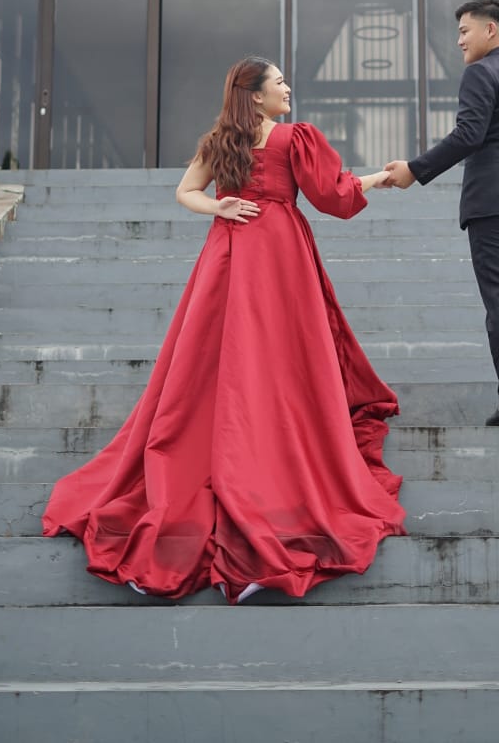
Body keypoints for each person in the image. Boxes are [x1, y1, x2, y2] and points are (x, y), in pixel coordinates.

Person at [42, 55, 405, 604]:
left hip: (230, 252)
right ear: (256, 95)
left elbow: (184, 192)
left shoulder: (222, 141)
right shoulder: (293, 138)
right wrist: (380, 177)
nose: (288, 87)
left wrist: (219, 208)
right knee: (276, 355)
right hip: (277, 251)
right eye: (279, 81)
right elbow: (333, 195)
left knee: (215, 357)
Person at [384, 0, 499, 431]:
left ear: (490, 30)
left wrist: (414, 170)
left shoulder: (481, 73)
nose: (459, 41)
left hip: (495, 202)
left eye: (465, 31)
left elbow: (468, 135)